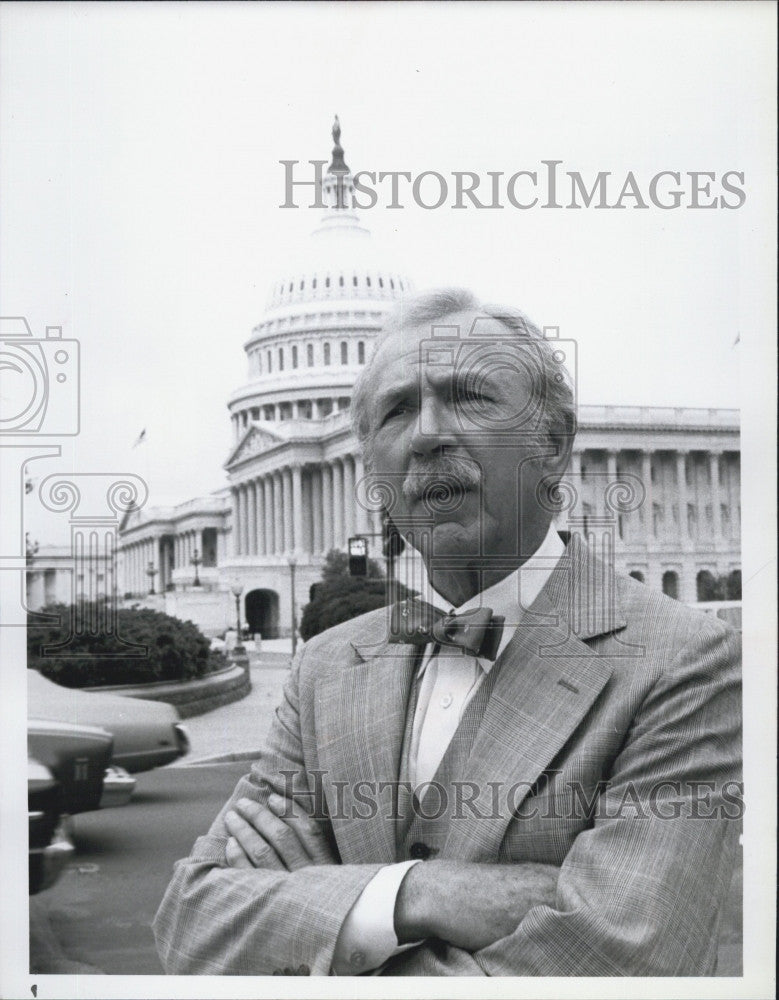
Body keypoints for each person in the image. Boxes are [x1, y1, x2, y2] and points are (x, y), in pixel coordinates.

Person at [153, 288, 741, 976]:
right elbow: (192, 925)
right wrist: (415, 894)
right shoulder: (325, 666)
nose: (427, 433)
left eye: (467, 396)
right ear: (370, 466)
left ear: (551, 445)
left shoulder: (683, 660)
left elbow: (627, 966)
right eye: (397, 409)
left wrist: (322, 915)